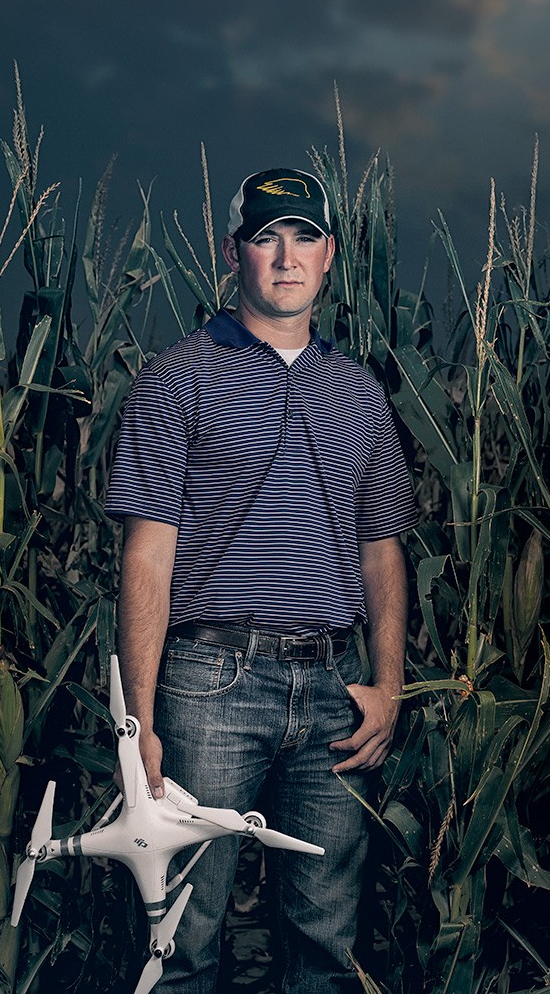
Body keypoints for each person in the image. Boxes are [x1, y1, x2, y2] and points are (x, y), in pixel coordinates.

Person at [105, 167, 417, 992]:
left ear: (329, 256)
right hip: (210, 685)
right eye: (266, 237)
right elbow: (146, 555)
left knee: (324, 942)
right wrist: (139, 725)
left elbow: (382, 548)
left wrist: (388, 685)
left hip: (332, 692)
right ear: (232, 253)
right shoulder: (179, 378)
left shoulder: (358, 394)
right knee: (181, 935)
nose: (286, 256)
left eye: (304, 236)